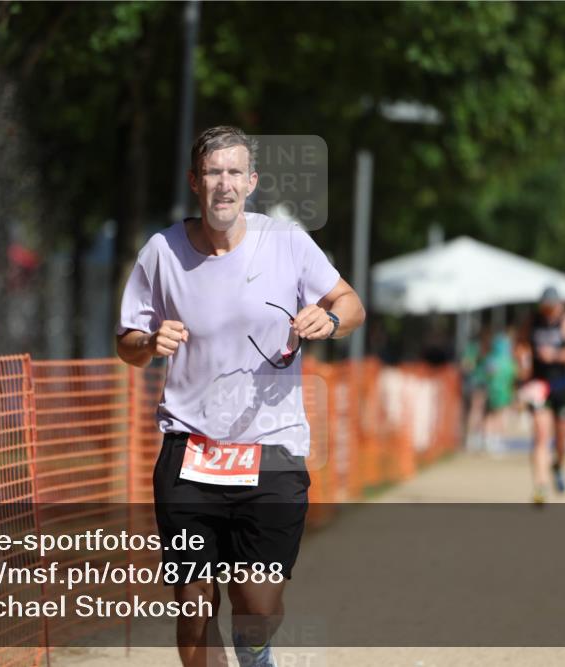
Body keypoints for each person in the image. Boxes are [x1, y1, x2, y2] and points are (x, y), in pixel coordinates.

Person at [116, 126, 365, 667]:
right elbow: (127, 343)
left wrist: (329, 318)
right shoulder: (162, 252)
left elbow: (350, 303)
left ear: (250, 182)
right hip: (189, 450)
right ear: (194, 182)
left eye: (233, 173)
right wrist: (148, 342)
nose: (223, 184)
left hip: (269, 451)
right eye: (212, 173)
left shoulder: (288, 243)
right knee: (193, 606)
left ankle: (256, 652)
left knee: (255, 607)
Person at [521, 287, 565, 505]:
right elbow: (520, 344)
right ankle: (540, 487)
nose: (549, 311)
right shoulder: (532, 321)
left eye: (552, 307)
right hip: (539, 384)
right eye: (545, 307)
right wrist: (522, 361)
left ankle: (558, 465)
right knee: (541, 435)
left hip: (562, 384)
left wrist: (556, 355)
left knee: (561, 438)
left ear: (560, 305)